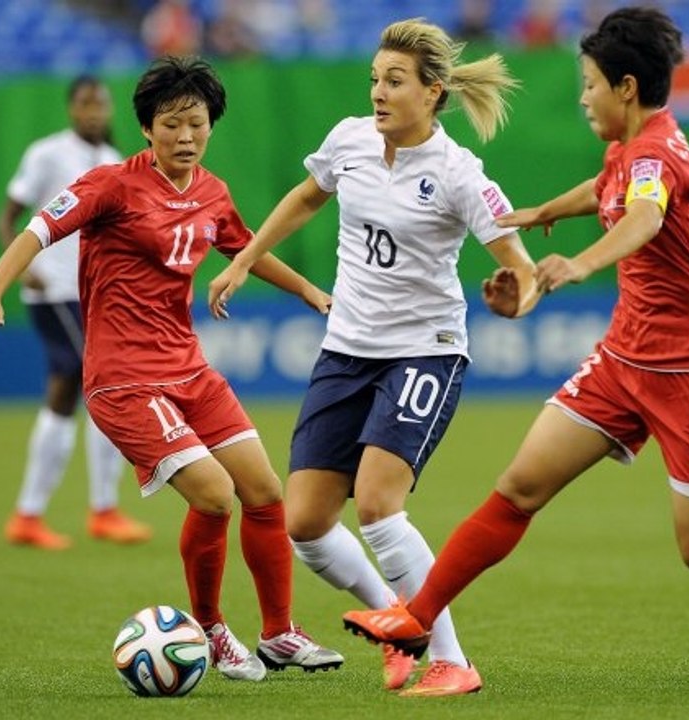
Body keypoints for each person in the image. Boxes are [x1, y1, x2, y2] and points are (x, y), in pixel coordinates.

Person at [341, 6, 689, 674]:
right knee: (519, 486)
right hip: (622, 362)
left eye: (589, 83)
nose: (583, 96)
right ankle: (415, 618)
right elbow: (608, 187)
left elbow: (644, 215)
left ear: (624, 86)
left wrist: (581, 262)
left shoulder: (654, 155)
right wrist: (543, 212)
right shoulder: (629, 145)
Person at [0, 55, 343, 681]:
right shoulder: (110, 184)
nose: (185, 136)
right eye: (171, 125)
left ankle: (278, 634)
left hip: (189, 369)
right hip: (121, 379)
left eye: (196, 123)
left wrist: (307, 291)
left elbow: (241, 247)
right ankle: (213, 631)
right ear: (146, 129)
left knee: (267, 493)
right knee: (216, 497)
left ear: (211, 125)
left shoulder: (213, 192)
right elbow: (36, 229)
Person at [207, 18, 541, 697]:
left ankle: (450, 660)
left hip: (424, 353)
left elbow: (521, 268)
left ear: (433, 93)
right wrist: (244, 257)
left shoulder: (457, 174)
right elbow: (307, 196)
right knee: (303, 523)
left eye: (393, 82)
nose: (378, 93)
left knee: (380, 506)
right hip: (346, 352)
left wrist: (515, 295)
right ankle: (397, 627)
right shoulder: (350, 140)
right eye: (373, 80)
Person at [0, 75, 151, 551]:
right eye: (85, 104)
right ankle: (93, 510)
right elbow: (7, 216)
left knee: (71, 391)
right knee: (97, 385)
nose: (93, 112)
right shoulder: (47, 153)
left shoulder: (112, 162)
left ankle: (40, 515)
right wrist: (22, 269)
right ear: (70, 108)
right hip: (53, 290)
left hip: (96, 294)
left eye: (100, 104)